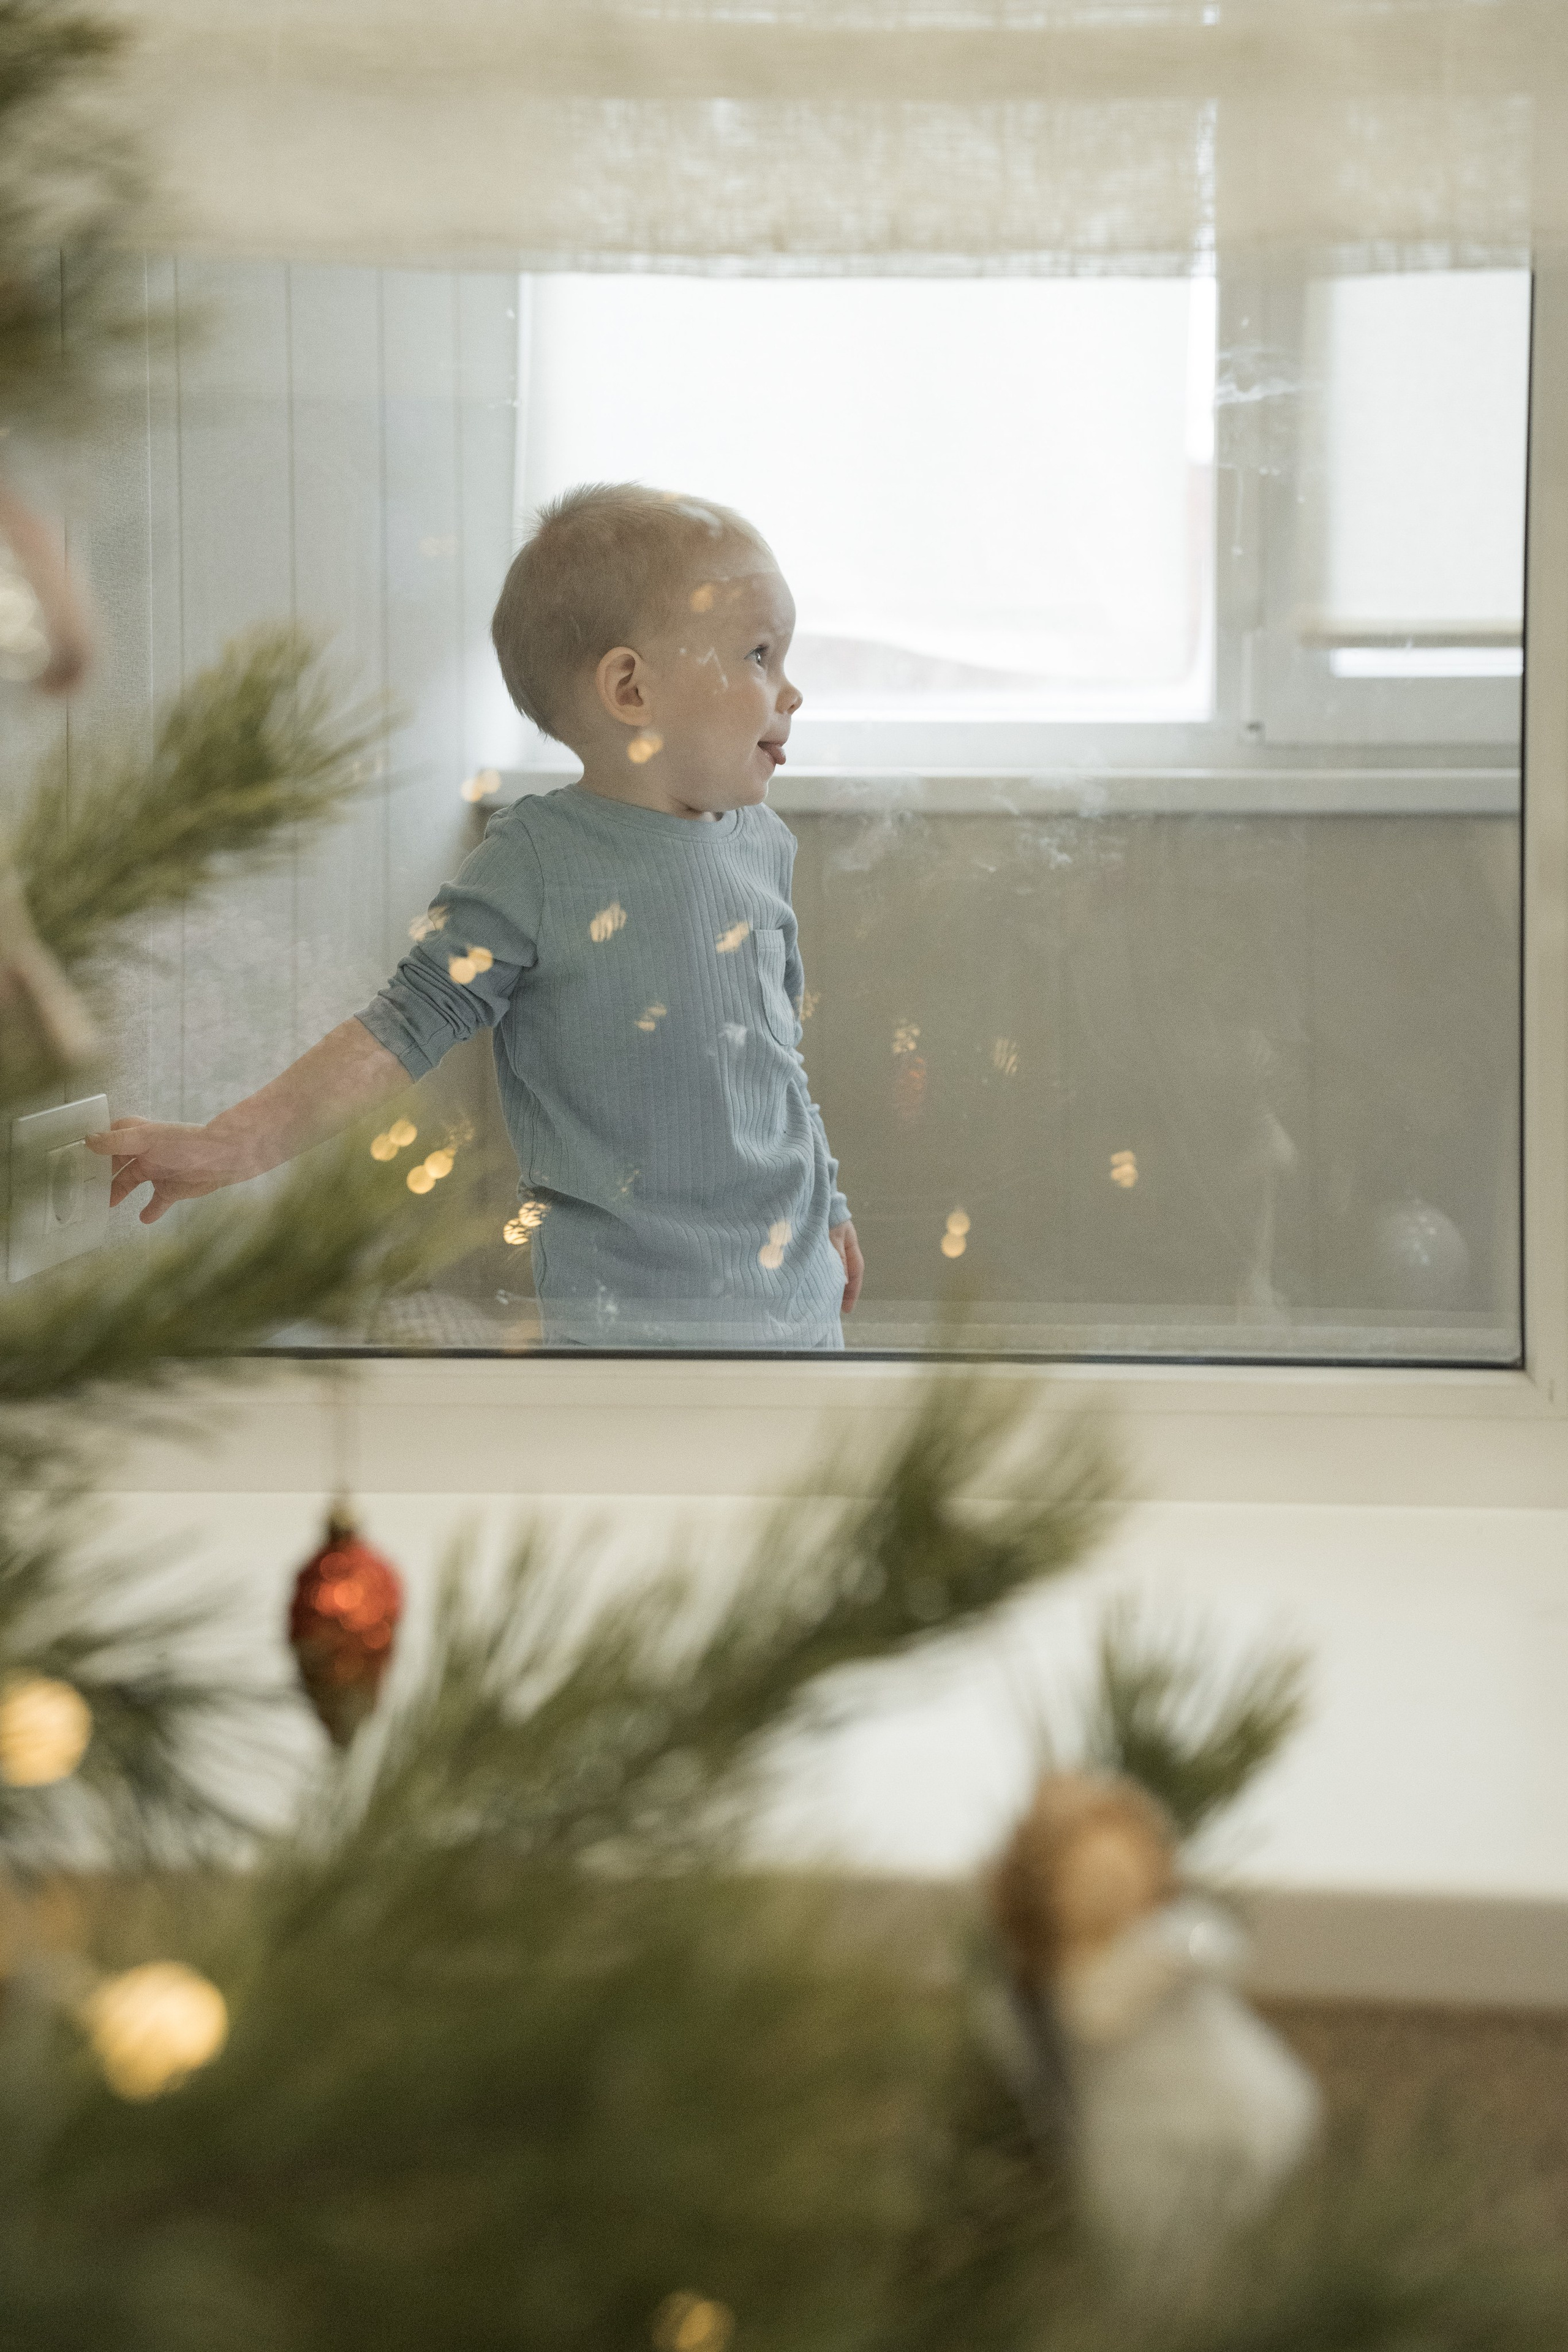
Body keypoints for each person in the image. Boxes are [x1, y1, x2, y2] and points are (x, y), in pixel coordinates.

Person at [88, 483, 863, 1349]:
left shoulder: (761, 843)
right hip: (628, 1332)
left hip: (796, 1306)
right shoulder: (536, 863)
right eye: (759, 655)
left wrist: (826, 1203)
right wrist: (232, 1145)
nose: (789, 693)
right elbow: (398, 1031)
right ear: (631, 690)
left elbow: (773, 1056)